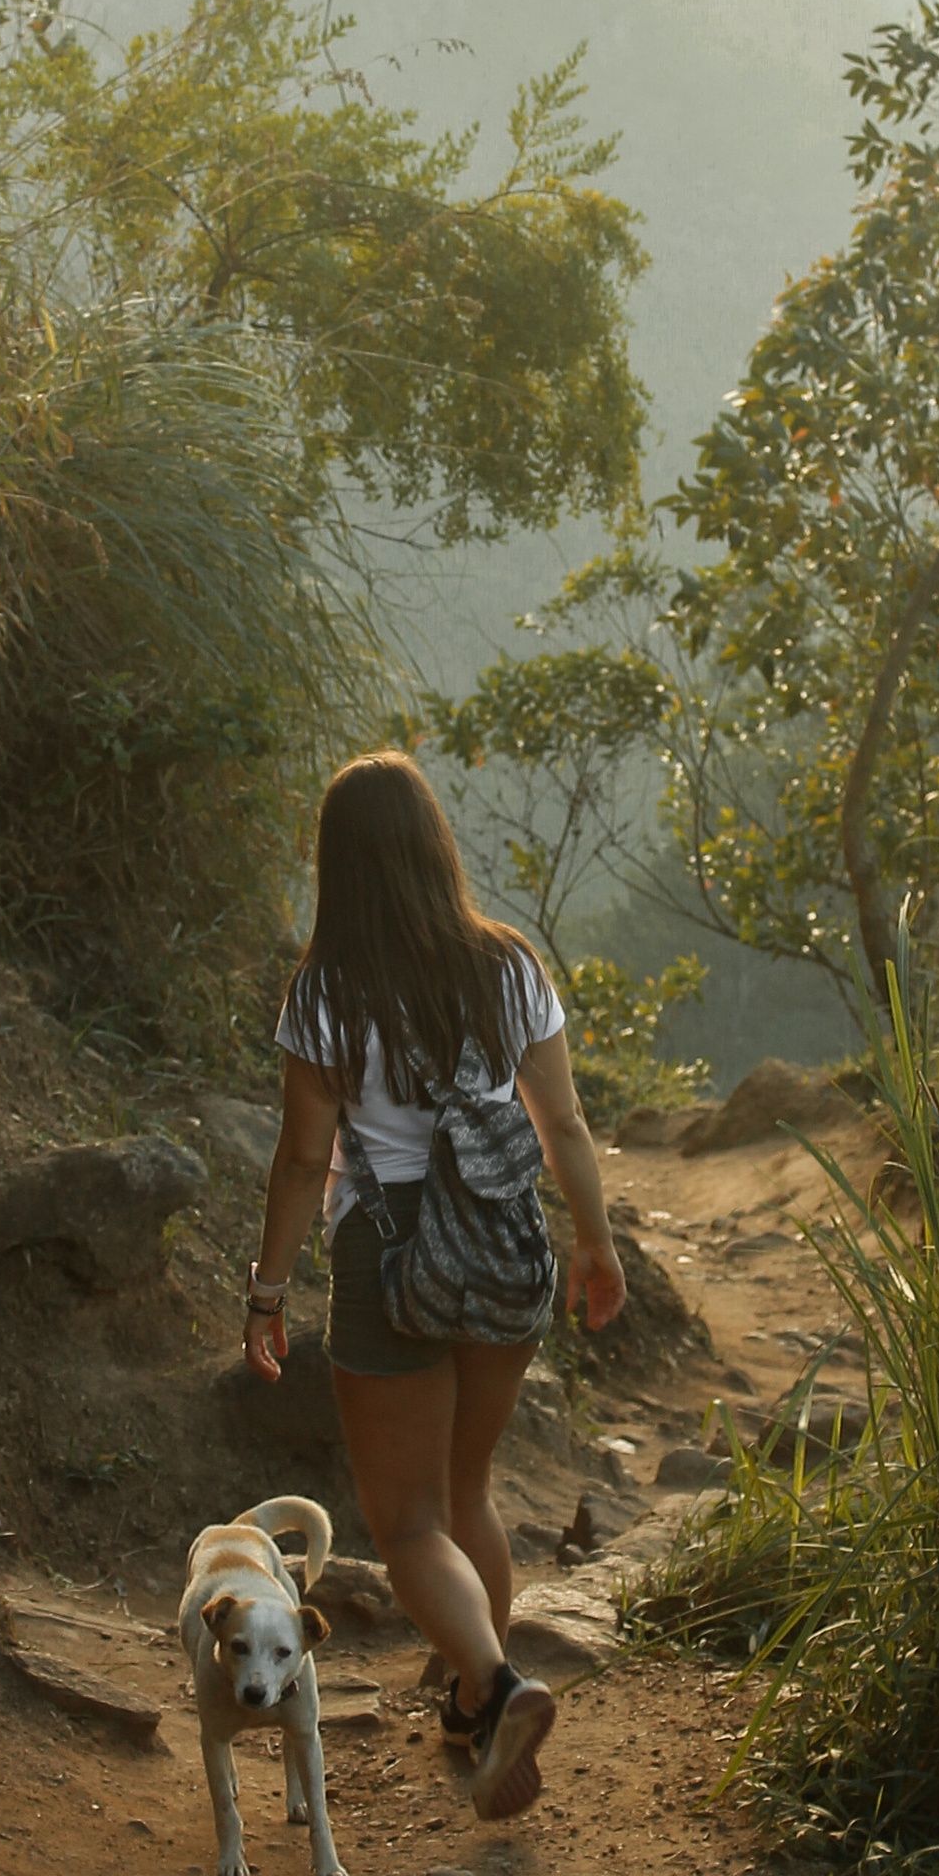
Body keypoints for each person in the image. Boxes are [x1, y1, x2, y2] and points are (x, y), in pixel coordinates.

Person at [241, 753, 627, 1820]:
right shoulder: (508, 964)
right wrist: (594, 1244)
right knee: (466, 1491)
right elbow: (563, 1122)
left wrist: (268, 1292)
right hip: (501, 1245)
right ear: (433, 846)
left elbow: (301, 1158)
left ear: (339, 862)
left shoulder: (326, 990)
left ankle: (496, 1684)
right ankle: (471, 1710)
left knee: (409, 1520)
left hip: (390, 1257)